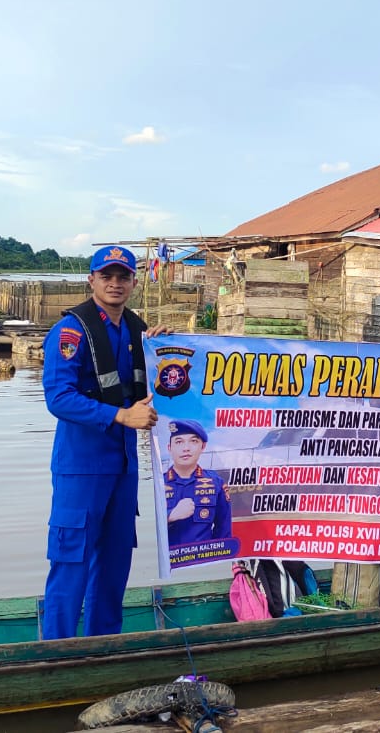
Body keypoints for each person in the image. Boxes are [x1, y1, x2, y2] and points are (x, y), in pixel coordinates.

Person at [40, 245, 168, 639]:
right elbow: (58, 398)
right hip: (82, 466)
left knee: (114, 563)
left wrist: (161, 353)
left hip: (123, 468)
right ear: (91, 280)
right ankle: (56, 653)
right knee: (72, 561)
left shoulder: (135, 330)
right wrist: (120, 416)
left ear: (134, 282)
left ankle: (104, 647)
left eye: (123, 276)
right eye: (107, 276)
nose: (115, 283)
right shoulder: (70, 332)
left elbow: (147, 389)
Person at [162, 419, 231, 547]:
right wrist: (169, 516)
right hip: (166, 562)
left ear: (203, 446)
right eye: (179, 442)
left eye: (193, 441)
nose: (186, 448)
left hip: (203, 561)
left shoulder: (216, 482)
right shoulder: (157, 485)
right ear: (169, 448)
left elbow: (224, 529)